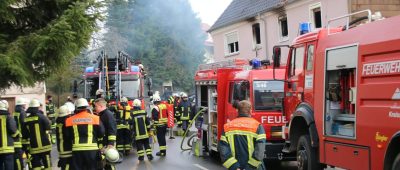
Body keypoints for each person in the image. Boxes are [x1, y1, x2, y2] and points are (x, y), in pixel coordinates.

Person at [218, 100, 266, 170]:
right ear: (250, 111)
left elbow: (224, 152)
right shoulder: (257, 126)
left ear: (237, 111)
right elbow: (259, 152)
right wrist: (249, 168)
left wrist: (235, 167)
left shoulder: (227, 127)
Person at [66, 98, 105, 170]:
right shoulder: (96, 118)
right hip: (92, 150)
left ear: (76, 108)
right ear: (87, 107)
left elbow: (68, 136)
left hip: (77, 150)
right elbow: (101, 133)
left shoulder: (69, 120)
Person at [22, 99, 52, 170]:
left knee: (36, 166)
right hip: (45, 146)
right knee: (47, 164)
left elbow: (25, 134)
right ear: (37, 107)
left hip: (34, 147)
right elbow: (48, 127)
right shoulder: (42, 117)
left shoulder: (26, 120)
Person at [93, 98, 117, 170]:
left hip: (108, 144)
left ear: (100, 106)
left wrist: (111, 144)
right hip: (103, 144)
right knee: (103, 163)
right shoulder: (102, 114)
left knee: (109, 164)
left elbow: (112, 129)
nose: (95, 108)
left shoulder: (108, 115)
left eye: (96, 106)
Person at [0, 100, 18, 170]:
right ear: (6, 107)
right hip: (8, 148)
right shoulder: (9, 117)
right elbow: (13, 130)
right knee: (9, 167)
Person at [55, 105, 73, 170]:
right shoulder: (67, 122)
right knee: (68, 165)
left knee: (64, 165)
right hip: (67, 147)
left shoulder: (58, 122)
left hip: (61, 147)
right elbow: (68, 135)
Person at [12, 98, 27, 170]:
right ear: (22, 104)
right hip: (22, 136)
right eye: (24, 103)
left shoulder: (14, 112)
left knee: (17, 155)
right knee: (24, 154)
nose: (25, 105)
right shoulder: (22, 112)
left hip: (16, 137)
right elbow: (24, 124)